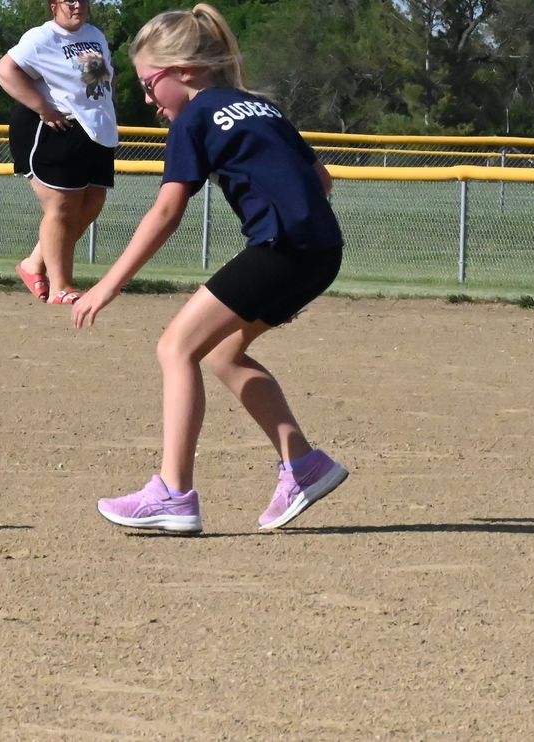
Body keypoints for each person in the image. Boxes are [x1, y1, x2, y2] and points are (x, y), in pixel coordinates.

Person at [71, 4, 348, 533]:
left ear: (186, 72)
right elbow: (323, 180)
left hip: (281, 248)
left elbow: (167, 211)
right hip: (321, 248)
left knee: (176, 347)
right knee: (223, 352)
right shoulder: (262, 109)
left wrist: (107, 284)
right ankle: (304, 464)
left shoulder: (195, 118)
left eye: (151, 85)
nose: (150, 101)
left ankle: (173, 493)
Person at [0, 0, 118, 305]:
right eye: (69, 0)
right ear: (54, 6)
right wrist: (43, 108)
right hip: (56, 128)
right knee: (62, 208)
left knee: (92, 203)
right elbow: (5, 70)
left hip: (95, 129)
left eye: (83, 0)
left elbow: (100, 82)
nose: (77, 5)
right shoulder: (42, 37)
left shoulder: (95, 35)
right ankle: (61, 285)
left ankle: (33, 264)